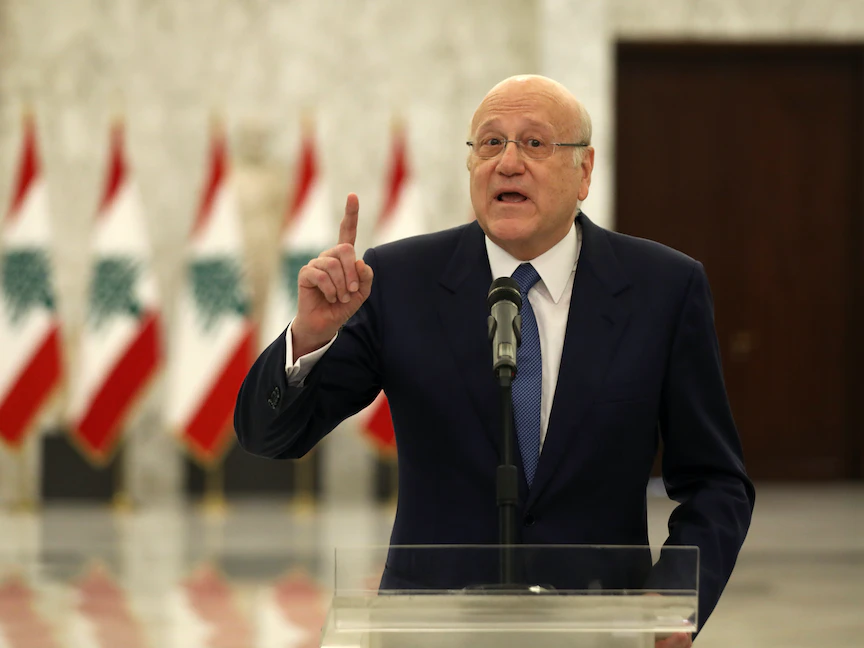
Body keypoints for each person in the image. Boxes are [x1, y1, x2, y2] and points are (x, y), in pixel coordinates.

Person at [234, 75, 755, 647]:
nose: (508, 163)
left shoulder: (664, 288)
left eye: (534, 143)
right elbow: (270, 436)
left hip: (602, 630)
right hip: (431, 631)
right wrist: (308, 337)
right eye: (490, 143)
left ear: (584, 171)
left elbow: (715, 481)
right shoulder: (400, 281)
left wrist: (674, 596)